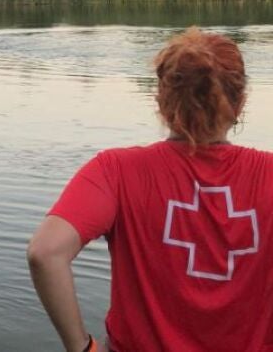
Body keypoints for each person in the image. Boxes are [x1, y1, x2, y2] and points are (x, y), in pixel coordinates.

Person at [27, 28, 273, 352]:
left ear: (161, 99)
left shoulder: (115, 171)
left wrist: (82, 347)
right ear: (240, 102)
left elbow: (46, 253)